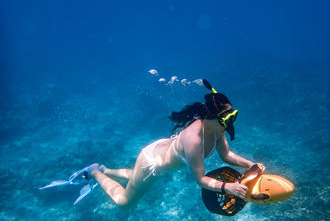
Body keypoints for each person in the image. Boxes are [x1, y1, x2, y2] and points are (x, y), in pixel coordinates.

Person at [87, 79, 265, 210]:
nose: (230, 121)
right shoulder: (193, 139)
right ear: (211, 116)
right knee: (125, 202)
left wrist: (251, 165)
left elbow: (227, 155)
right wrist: (227, 187)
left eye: (232, 115)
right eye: (228, 117)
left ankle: (105, 170)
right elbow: (200, 179)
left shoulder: (217, 128)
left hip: (161, 152)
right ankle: (94, 172)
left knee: (135, 176)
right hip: (151, 164)